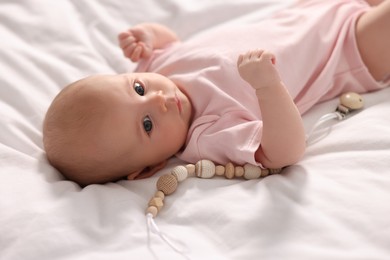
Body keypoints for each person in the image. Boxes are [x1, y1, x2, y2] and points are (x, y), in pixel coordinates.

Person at [43, 0, 390, 186]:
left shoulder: (155, 72)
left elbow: (170, 42)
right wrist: (267, 87)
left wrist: (147, 35)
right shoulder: (208, 134)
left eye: (137, 89)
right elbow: (283, 152)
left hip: (313, 10)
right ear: (149, 168)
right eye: (147, 124)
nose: (157, 99)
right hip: (349, 48)